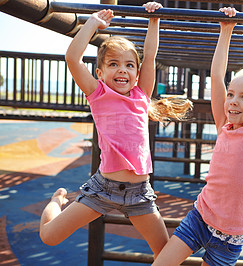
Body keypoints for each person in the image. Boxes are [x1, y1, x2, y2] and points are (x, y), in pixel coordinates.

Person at [39, 2, 192, 259]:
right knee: (49, 236)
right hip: (103, 189)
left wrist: (154, 20)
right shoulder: (98, 94)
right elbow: (72, 58)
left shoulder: (141, 95)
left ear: (136, 73)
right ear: (100, 72)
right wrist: (92, 24)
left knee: (165, 255)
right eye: (113, 64)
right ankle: (56, 201)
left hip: (139, 194)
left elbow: (150, 56)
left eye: (130, 65)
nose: (122, 69)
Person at [152, 1, 243, 265]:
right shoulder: (224, 127)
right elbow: (217, 75)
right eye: (231, 95)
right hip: (199, 218)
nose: (232, 101)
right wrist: (226, 30)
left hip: (230, 238)